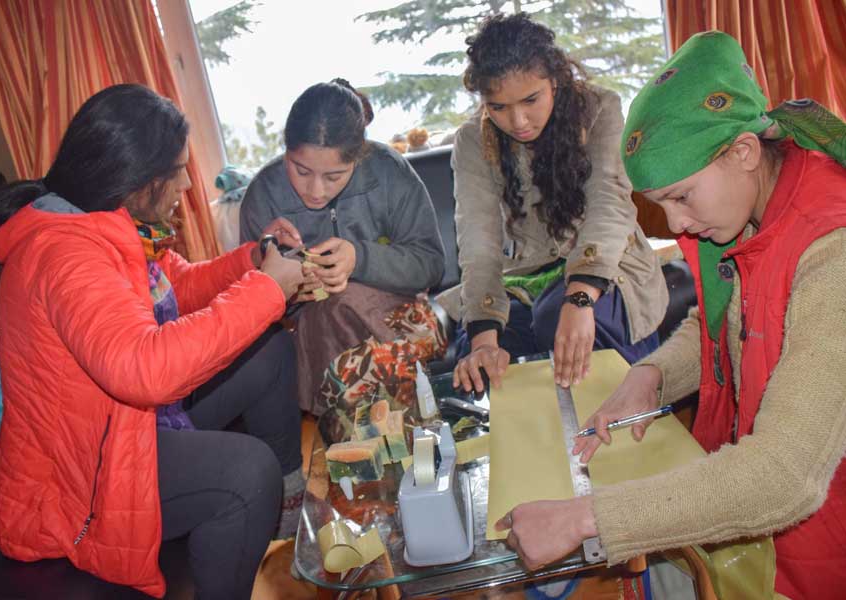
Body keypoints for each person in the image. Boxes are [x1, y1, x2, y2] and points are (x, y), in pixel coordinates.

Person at [497, 31, 846, 600]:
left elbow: (786, 475)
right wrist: (651, 376)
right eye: (660, 206)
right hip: (756, 538)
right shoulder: (749, 204)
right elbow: (720, 319)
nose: (677, 226)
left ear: (743, 152)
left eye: (682, 198)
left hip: (820, 556)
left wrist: (586, 518)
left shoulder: (833, 250)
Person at [0, 84, 308, 599]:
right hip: (80, 485)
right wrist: (268, 289)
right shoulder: (65, 253)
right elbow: (145, 370)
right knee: (246, 474)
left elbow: (176, 288)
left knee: (268, 351)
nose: (185, 182)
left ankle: (288, 518)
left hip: (123, 430)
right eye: (177, 169)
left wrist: (253, 261)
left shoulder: (103, 222)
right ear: (137, 178)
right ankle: (258, 518)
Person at [438, 13, 668, 394]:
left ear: (556, 81)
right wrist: (483, 342)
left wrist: (579, 298)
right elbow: (478, 243)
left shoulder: (599, 110)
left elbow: (609, 205)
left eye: (531, 99)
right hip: (523, 278)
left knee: (555, 318)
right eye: (497, 107)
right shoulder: (473, 142)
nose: (517, 121)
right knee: (479, 362)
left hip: (607, 265)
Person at [240, 79, 446, 416]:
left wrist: (360, 259)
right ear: (286, 151)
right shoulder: (264, 195)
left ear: (359, 157)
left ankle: (360, 438)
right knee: (330, 312)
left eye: (335, 176)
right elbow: (249, 306)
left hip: (401, 322)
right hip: (314, 341)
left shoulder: (389, 171)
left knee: (342, 303)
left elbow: (431, 265)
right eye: (301, 170)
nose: (316, 191)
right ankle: (370, 437)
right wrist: (287, 292)